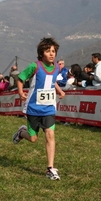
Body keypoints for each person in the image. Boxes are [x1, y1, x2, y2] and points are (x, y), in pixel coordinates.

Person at [12, 37, 65, 180]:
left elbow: (51, 82)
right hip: (33, 108)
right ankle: (21, 133)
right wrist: (20, 92)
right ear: (41, 53)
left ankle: (50, 169)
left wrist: (59, 91)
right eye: (48, 51)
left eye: (53, 51)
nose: (51, 54)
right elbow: (20, 78)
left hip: (48, 108)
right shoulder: (34, 66)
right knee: (33, 138)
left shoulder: (56, 68)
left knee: (50, 134)